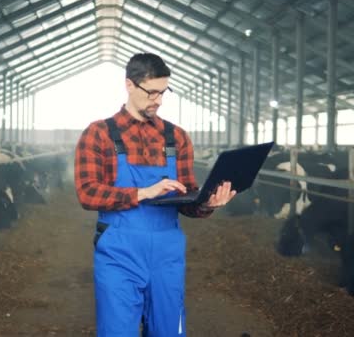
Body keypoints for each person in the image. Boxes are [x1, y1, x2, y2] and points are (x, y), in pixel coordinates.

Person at [74, 52, 236, 336]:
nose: (158, 101)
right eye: (151, 92)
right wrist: (143, 192)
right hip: (119, 252)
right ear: (129, 85)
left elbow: (188, 199)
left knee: (169, 331)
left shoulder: (177, 137)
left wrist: (207, 203)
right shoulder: (98, 134)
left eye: (164, 92)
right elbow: (87, 193)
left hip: (167, 253)